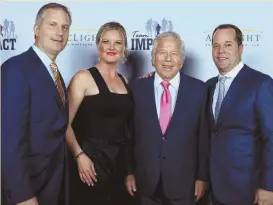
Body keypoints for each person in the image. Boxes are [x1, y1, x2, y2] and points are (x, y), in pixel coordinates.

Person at [126, 31, 210, 205]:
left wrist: (202, 177)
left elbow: (203, 137)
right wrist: (129, 172)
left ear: (182, 59)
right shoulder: (136, 89)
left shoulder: (199, 90)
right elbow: (129, 135)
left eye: (174, 54)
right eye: (163, 53)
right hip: (145, 182)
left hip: (184, 183)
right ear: (153, 57)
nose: (168, 59)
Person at [1, 3, 71, 205]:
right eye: (53, 24)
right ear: (37, 29)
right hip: (28, 191)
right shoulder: (15, 69)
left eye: (65, 27)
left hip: (54, 184)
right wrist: (21, 194)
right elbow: (8, 140)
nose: (59, 32)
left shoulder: (55, 73)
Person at [66, 21, 134, 205]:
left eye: (118, 43)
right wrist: (79, 156)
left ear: (124, 47)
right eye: (106, 41)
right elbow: (64, 123)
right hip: (90, 165)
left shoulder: (125, 81)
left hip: (119, 166)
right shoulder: (83, 78)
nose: (111, 47)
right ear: (98, 45)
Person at [207, 24, 273, 205]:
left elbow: (272, 137)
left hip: (247, 188)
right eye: (216, 45)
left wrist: (269, 186)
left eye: (228, 45)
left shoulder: (261, 83)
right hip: (212, 189)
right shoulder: (208, 85)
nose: (221, 51)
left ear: (240, 48)